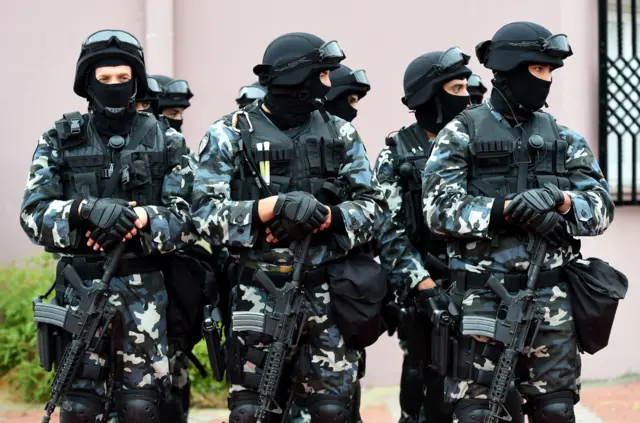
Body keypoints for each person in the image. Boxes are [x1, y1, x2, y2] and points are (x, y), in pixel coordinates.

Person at [422, 21, 615, 423]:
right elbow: (437, 210)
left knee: (556, 411)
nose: (545, 81)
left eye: (549, 72)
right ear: (510, 70)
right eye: (538, 70)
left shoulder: (564, 138)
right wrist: (504, 210)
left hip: (551, 300)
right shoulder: (461, 133)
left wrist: (561, 201)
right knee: (477, 412)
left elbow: (601, 208)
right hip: (482, 299)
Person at [192, 31, 384, 423]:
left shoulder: (339, 133)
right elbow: (202, 216)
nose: (329, 84)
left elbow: (375, 208)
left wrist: (330, 218)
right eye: (323, 75)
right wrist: (269, 209)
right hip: (257, 295)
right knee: (254, 411)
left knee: (333, 411)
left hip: (327, 295)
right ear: (297, 79)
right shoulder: (229, 133)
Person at [20, 29, 197, 423]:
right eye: (105, 79)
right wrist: (85, 210)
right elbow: (32, 215)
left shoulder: (166, 140)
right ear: (87, 83)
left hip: (145, 296)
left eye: (123, 79)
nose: (115, 87)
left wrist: (141, 218)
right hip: (80, 294)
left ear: (136, 81)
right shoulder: (57, 141)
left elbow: (190, 219)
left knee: (142, 407)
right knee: (80, 407)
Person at [374, 48, 472, 423]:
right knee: (423, 387)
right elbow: (388, 230)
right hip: (423, 293)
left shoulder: (479, 142)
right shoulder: (397, 153)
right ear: (430, 94)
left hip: (480, 287)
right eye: (456, 87)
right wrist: (423, 284)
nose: (465, 96)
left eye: (467, 86)